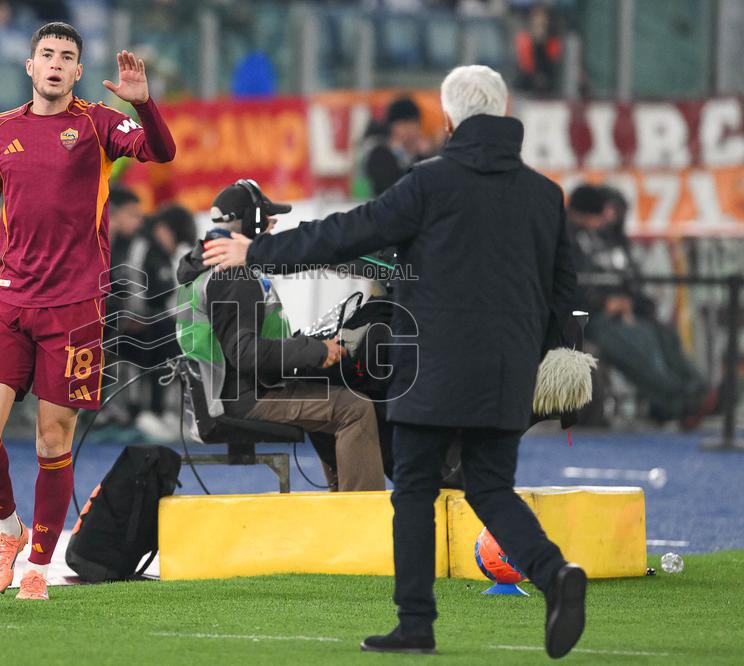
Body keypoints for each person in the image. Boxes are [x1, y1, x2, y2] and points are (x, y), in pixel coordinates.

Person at [201, 66, 586, 658]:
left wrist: (262, 251)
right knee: (489, 484)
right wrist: (559, 358)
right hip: (509, 369)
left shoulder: (429, 182)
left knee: (412, 490)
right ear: (505, 110)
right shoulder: (544, 194)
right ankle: (553, 571)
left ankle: (416, 624)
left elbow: (349, 233)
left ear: (450, 117)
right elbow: (564, 289)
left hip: (434, 365)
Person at [0, 22, 175, 601]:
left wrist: (144, 105)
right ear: (29, 65)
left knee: (52, 440)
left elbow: (161, 152)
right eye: (46, 54)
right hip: (10, 302)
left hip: (77, 309)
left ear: (75, 71)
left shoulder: (97, 123)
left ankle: (39, 563)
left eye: (66, 57)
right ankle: (8, 531)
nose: (54, 64)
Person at [177, 180, 386, 492]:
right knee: (354, 409)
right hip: (244, 396)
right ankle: (363, 516)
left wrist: (310, 348)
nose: (273, 223)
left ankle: (343, 498)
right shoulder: (235, 275)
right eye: (266, 217)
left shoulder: (207, 264)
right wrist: (315, 351)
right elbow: (246, 354)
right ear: (249, 221)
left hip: (229, 391)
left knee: (323, 389)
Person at [567, 184, 717, 427]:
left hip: (620, 312)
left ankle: (699, 391)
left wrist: (634, 304)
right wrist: (605, 303)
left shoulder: (606, 237)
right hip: (586, 317)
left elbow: (626, 278)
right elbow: (567, 287)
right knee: (637, 343)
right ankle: (679, 402)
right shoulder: (564, 237)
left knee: (663, 334)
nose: (609, 218)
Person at [107, 187, 179, 437]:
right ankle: (134, 411)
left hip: (121, 322)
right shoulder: (98, 243)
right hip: (99, 323)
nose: (138, 221)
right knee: (159, 334)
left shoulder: (136, 245)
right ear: (111, 216)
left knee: (167, 332)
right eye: (132, 214)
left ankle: (155, 411)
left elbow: (151, 291)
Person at [362, 97, 432, 197]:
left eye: (413, 123)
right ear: (391, 126)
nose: (409, 129)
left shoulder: (422, 155)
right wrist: (402, 153)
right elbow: (389, 190)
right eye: (403, 124)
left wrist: (422, 157)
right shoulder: (379, 152)